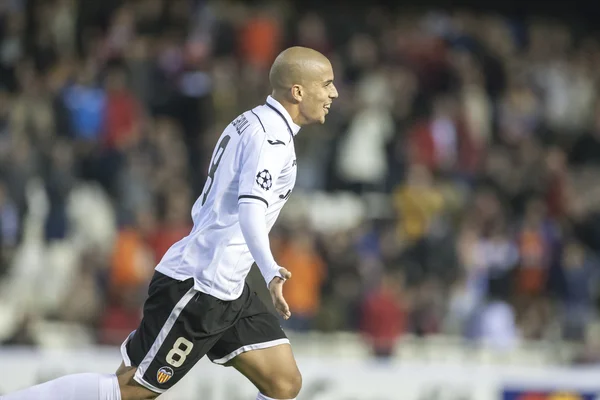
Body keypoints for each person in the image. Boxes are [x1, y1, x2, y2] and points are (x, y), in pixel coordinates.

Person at [2, 46, 338, 400]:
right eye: (327, 84)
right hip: (200, 286)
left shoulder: (251, 120)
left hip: (229, 287)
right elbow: (250, 210)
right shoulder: (272, 139)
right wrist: (270, 270)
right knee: (129, 391)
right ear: (298, 91)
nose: (334, 93)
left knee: (283, 383)